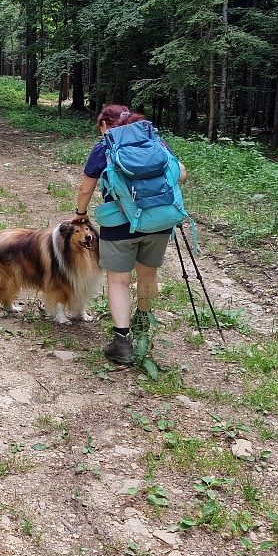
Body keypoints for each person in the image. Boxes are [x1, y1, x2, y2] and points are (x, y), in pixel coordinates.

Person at [74, 105, 187, 365]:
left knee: (118, 281)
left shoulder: (104, 147)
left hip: (119, 224)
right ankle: (143, 322)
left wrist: (81, 214)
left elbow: (85, 188)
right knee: (148, 275)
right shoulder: (154, 141)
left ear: (104, 125)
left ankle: (122, 342)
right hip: (158, 221)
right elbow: (180, 171)